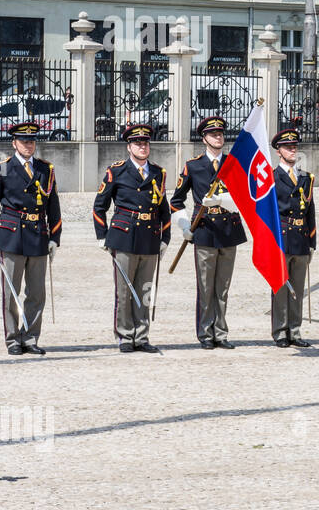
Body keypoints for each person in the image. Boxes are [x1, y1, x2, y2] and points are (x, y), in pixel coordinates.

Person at [0, 121, 62, 356]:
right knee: (12, 292)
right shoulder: (3, 168)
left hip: (38, 234)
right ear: (14, 143)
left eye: (32, 141)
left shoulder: (45, 169)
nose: (29, 145)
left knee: (36, 293)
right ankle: (12, 339)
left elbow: (54, 206)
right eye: (24, 141)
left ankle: (30, 337)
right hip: (11, 235)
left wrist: (54, 237)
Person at [168, 116, 246, 349]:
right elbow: (176, 201)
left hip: (228, 230)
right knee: (205, 286)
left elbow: (244, 199)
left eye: (221, 133)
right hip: (204, 231)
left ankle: (220, 332)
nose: (218, 137)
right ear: (204, 138)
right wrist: (183, 225)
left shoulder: (233, 164)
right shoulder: (194, 166)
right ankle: (204, 333)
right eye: (213, 134)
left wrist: (222, 200)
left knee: (222, 287)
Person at [93, 123, 171, 353]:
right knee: (125, 290)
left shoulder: (158, 172)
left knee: (145, 288)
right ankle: (125, 335)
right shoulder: (116, 171)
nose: (143, 147)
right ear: (129, 147)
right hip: (124, 236)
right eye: (138, 143)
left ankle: (142, 335)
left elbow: (164, 209)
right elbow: (99, 206)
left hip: (149, 236)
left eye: (146, 143)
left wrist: (165, 237)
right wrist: (103, 236)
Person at [271, 127, 316, 347]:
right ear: (278, 151)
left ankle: (295, 331)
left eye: (294, 147)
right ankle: (280, 331)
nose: (292, 150)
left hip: (300, 238)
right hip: (282, 238)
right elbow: (267, 213)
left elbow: (311, 212)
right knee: (281, 288)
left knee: (297, 288)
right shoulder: (272, 177)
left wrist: (312, 242)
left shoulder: (306, 178)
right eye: (287, 147)